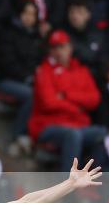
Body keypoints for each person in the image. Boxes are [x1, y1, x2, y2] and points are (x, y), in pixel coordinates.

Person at [28, 30, 102, 171]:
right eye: (54, 48)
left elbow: (95, 99)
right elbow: (49, 103)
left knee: (104, 134)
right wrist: (77, 108)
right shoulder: (44, 71)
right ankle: (67, 187)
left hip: (79, 124)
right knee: (72, 134)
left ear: (70, 48)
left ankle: (95, 185)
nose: (58, 51)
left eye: (62, 47)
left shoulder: (82, 70)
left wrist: (67, 95)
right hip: (48, 125)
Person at [0, 0, 43, 144]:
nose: (29, 17)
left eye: (33, 14)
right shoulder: (8, 33)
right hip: (7, 80)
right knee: (32, 95)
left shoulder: (36, 37)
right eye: (26, 13)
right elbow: (6, 62)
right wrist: (26, 77)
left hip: (29, 80)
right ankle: (19, 133)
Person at [61, 0, 104, 72]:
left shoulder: (98, 33)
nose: (75, 16)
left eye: (80, 12)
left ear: (88, 14)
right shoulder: (62, 33)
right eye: (72, 12)